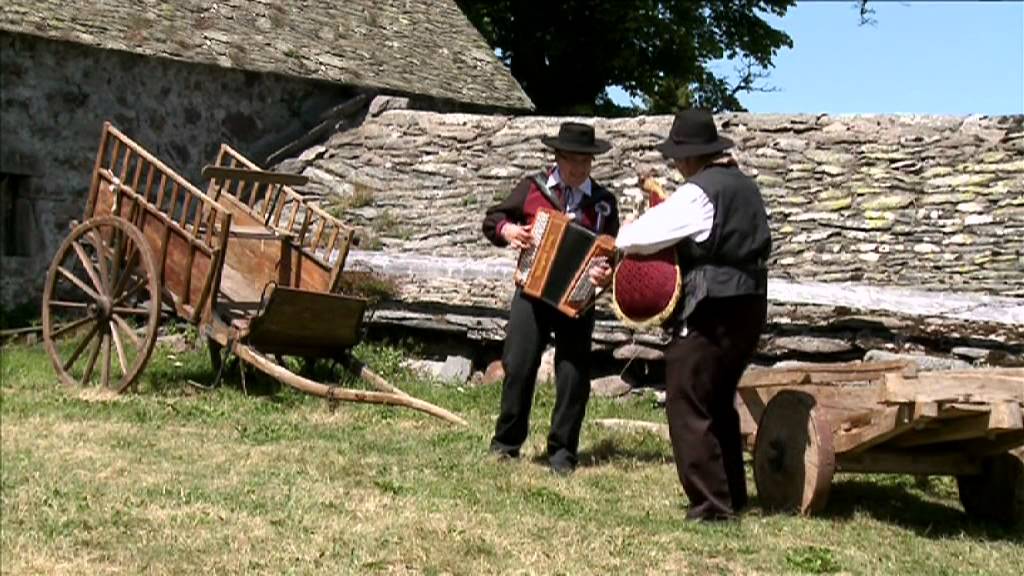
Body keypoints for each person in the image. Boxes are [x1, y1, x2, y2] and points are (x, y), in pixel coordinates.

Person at [616, 110, 771, 520]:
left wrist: (628, 229)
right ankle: (732, 494)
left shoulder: (699, 193)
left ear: (689, 157)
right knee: (718, 402)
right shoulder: (746, 188)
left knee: (687, 402)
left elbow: (639, 238)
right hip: (750, 303)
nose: (676, 166)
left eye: (678, 158)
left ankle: (710, 504)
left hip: (712, 307)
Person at [482, 122, 620, 475]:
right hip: (532, 291)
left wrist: (605, 274)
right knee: (519, 365)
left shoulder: (603, 205)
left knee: (573, 375)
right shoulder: (533, 189)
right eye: (572, 160)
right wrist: (509, 230)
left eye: (585, 161)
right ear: (556, 157)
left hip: (578, 298)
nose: (578, 168)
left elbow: (613, 254)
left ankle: (562, 454)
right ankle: (506, 444)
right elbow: (493, 220)